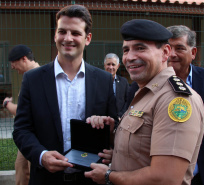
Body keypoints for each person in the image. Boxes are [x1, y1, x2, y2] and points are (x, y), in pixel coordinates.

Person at [84, 19, 204, 185]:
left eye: (140, 48)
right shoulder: (145, 92)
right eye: (126, 50)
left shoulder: (176, 100)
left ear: (165, 52)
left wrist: (108, 176)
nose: (130, 57)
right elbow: (140, 151)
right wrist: (113, 133)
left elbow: (165, 179)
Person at [13, 4, 117, 185]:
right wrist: (41, 155)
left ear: (88, 38)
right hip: (46, 179)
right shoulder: (33, 79)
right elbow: (22, 129)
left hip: (90, 179)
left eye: (76, 33)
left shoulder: (104, 80)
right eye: (62, 31)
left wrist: (112, 146)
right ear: (55, 35)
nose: (68, 38)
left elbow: (114, 127)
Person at [167, 25, 204, 185]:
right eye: (168, 48)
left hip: (202, 170)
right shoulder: (150, 83)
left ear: (193, 53)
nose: (172, 54)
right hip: (164, 173)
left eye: (179, 48)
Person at [2, 44, 39, 185]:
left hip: (35, 135)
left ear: (24, 59)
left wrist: (7, 104)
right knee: (21, 168)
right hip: (28, 134)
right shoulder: (30, 77)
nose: (12, 67)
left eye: (13, 62)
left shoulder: (35, 77)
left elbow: (21, 111)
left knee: (30, 170)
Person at [104, 53, 129, 118]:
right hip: (104, 121)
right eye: (108, 64)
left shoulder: (124, 82)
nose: (111, 67)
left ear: (118, 66)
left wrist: (121, 115)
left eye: (113, 64)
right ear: (104, 65)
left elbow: (128, 101)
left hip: (120, 119)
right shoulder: (97, 82)